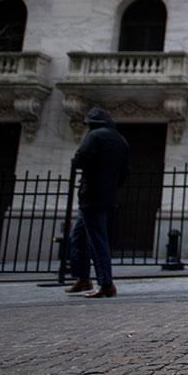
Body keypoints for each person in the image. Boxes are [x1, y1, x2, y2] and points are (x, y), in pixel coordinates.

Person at [65, 107, 130, 298]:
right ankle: (83, 278)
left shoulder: (94, 136)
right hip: (107, 196)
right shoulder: (120, 139)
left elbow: (80, 159)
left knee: (96, 239)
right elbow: (126, 171)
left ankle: (106, 283)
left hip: (91, 195)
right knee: (79, 236)